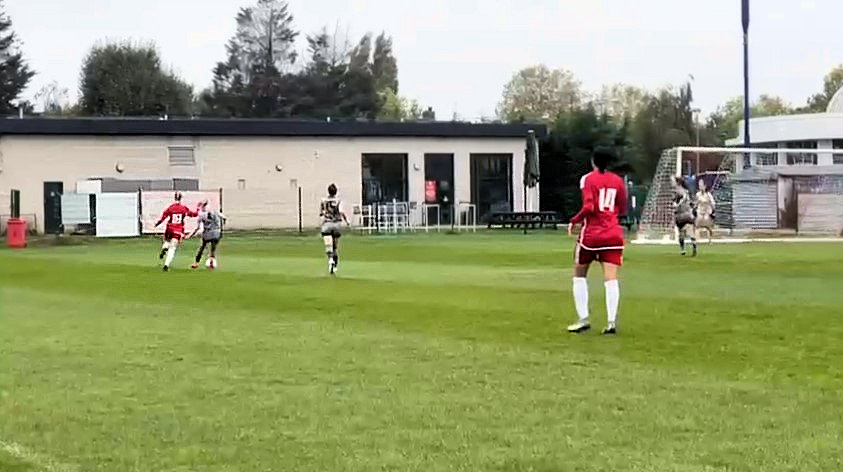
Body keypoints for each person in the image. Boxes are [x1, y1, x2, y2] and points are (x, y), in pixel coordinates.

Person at [566, 151, 627, 335]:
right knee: (611, 278)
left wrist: (574, 220)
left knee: (579, 272)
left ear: (593, 162)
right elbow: (622, 208)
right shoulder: (618, 181)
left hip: (592, 235)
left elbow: (589, 206)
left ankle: (583, 319)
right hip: (613, 234)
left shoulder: (587, 179)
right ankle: (611, 322)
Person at [155, 192, 198, 271]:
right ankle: (166, 265)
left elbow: (163, 217)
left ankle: (164, 247)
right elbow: (193, 214)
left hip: (169, 228)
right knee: (173, 248)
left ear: (174, 198)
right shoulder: (183, 208)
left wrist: (158, 223)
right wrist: (198, 209)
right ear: (181, 198)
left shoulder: (171, 208)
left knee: (167, 241)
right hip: (177, 229)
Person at [319, 183, 350, 274]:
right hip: (336, 224)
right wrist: (347, 221)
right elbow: (341, 212)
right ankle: (335, 266)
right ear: (336, 192)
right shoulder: (338, 201)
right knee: (335, 247)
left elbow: (321, 213)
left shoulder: (323, 201)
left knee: (328, 245)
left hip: (327, 224)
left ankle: (330, 260)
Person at [190, 200, 226, 269]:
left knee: (202, 247)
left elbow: (197, 227)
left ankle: (196, 263)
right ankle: (212, 260)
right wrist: (221, 226)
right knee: (213, 248)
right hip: (216, 233)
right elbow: (224, 218)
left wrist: (191, 234)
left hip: (207, 234)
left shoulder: (201, 215)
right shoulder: (215, 212)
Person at [673, 176, 697, 256]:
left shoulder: (680, 191)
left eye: (673, 181)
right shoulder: (686, 191)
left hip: (682, 215)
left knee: (682, 232)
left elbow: (682, 198)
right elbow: (690, 201)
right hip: (687, 214)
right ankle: (693, 246)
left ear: (677, 183)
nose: (672, 182)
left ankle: (683, 249)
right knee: (688, 231)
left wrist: (677, 204)